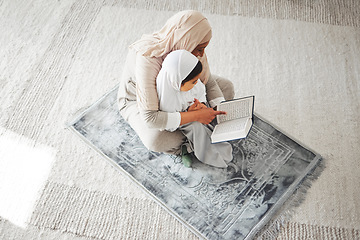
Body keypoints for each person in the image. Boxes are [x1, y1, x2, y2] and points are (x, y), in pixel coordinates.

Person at [117, 10, 234, 155]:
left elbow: (208, 82)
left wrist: (217, 110)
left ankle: (194, 130)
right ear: (187, 40)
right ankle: (188, 145)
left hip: (185, 87)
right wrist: (196, 115)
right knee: (157, 140)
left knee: (226, 88)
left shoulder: (190, 45)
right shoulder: (148, 56)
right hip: (141, 102)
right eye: (200, 49)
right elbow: (151, 118)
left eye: (204, 48)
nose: (202, 54)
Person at [156, 49, 233, 168]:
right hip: (179, 118)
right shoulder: (167, 94)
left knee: (208, 116)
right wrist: (189, 114)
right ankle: (209, 155)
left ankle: (219, 144)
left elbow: (200, 91)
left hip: (192, 108)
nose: (196, 83)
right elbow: (170, 122)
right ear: (178, 82)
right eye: (193, 82)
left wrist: (200, 104)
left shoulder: (190, 82)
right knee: (197, 127)